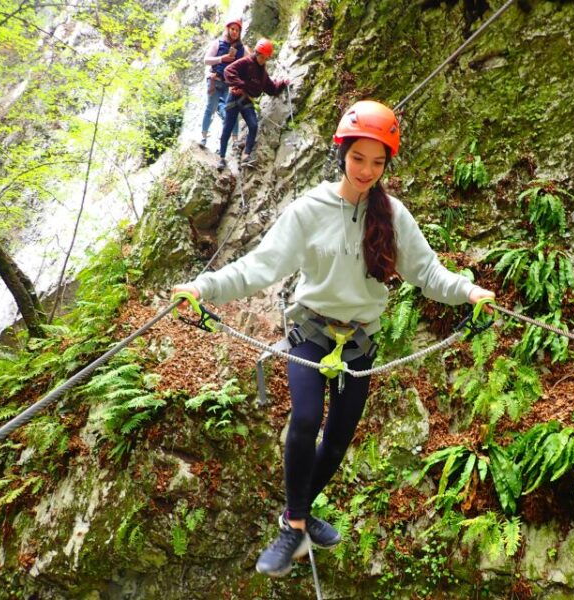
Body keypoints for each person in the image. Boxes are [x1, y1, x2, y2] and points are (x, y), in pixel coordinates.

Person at [171, 100, 495, 577]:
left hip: (361, 341)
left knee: (339, 439)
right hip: (311, 330)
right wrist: (204, 287)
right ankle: (295, 526)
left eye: (378, 162)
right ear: (340, 153)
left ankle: (295, 513)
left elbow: (426, 273)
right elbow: (261, 266)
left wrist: (469, 291)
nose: (367, 170)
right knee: (304, 420)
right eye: (358, 157)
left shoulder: (393, 216)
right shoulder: (310, 210)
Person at [216, 38, 289, 171]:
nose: (263, 60)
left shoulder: (262, 73)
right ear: (257, 53)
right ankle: (221, 158)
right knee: (228, 127)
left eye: (265, 58)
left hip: (246, 101)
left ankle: (246, 155)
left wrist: (283, 83)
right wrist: (241, 84)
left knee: (254, 125)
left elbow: (271, 88)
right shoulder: (246, 62)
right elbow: (228, 71)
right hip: (234, 98)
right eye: (262, 57)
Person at [200, 19, 245, 150]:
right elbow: (206, 60)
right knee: (210, 109)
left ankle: (235, 139)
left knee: (233, 110)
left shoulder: (240, 48)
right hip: (215, 81)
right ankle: (203, 138)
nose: (235, 32)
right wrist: (221, 59)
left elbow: (246, 64)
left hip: (229, 84)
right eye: (233, 29)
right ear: (228, 29)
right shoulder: (218, 43)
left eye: (237, 30)